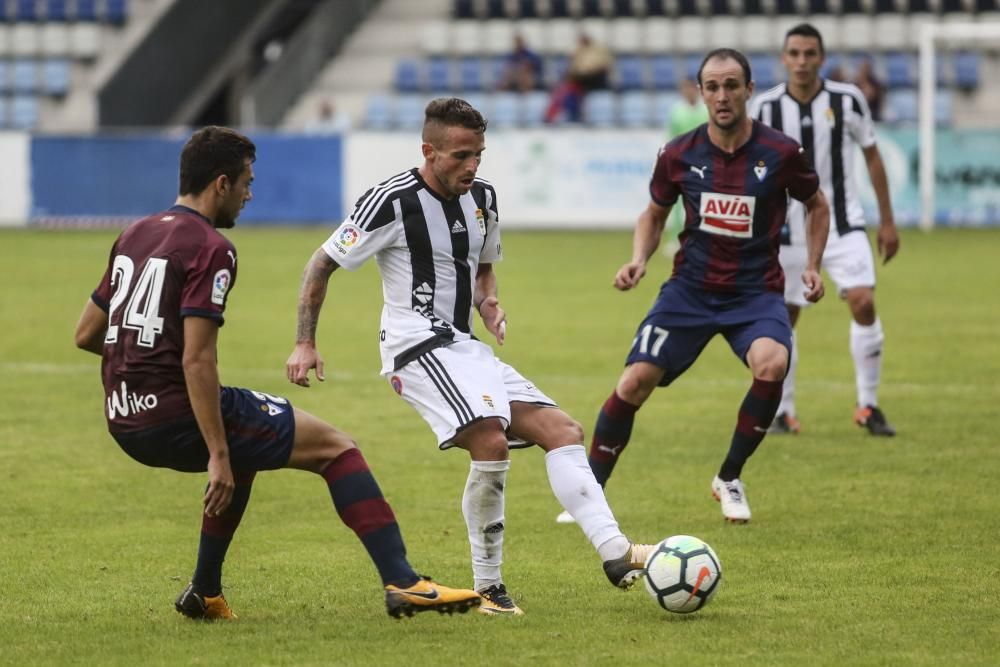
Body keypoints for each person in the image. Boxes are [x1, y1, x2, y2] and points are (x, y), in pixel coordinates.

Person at [73, 126, 480, 621]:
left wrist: (140, 373)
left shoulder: (134, 234)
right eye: (246, 181)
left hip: (123, 418)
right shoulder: (211, 246)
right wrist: (217, 455)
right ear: (220, 183)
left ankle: (205, 591)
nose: (250, 194)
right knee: (337, 447)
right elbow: (197, 359)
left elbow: (87, 334)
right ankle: (404, 580)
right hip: (176, 414)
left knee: (251, 445)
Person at [285, 98, 652, 616]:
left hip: (463, 346)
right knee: (490, 439)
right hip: (415, 346)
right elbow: (321, 264)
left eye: (479, 153)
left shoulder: (482, 197)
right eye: (460, 155)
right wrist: (305, 340)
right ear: (428, 150)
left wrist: (489, 302)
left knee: (563, 432)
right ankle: (489, 588)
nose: (472, 165)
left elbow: (482, 267)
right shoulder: (388, 200)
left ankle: (616, 554)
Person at [557, 48, 830, 526]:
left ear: (749, 90)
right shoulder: (678, 153)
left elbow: (817, 204)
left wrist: (812, 264)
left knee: (773, 362)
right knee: (634, 381)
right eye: (712, 87)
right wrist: (638, 258)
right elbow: (655, 213)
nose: (722, 96)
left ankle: (729, 478)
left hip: (755, 291)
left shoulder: (781, 153)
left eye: (731, 86)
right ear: (701, 92)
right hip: (689, 289)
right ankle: (592, 493)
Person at [750, 24, 899, 436]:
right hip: (784, 231)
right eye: (794, 53)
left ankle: (868, 405)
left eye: (809, 53)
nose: (801, 61)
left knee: (863, 302)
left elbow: (872, 156)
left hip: (843, 221)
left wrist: (887, 220)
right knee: (785, 318)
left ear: (822, 57)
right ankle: (784, 411)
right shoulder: (764, 108)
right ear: (783, 58)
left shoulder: (847, 100)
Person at [663, 78, 709, 253]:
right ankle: (676, 239)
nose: (687, 92)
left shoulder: (705, 110)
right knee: (676, 202)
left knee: (701, 200)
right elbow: (672, 136)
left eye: (690, 88)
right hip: (681, 161)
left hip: (703, 162)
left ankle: (700, 238)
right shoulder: (676, 111)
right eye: (684, 89)